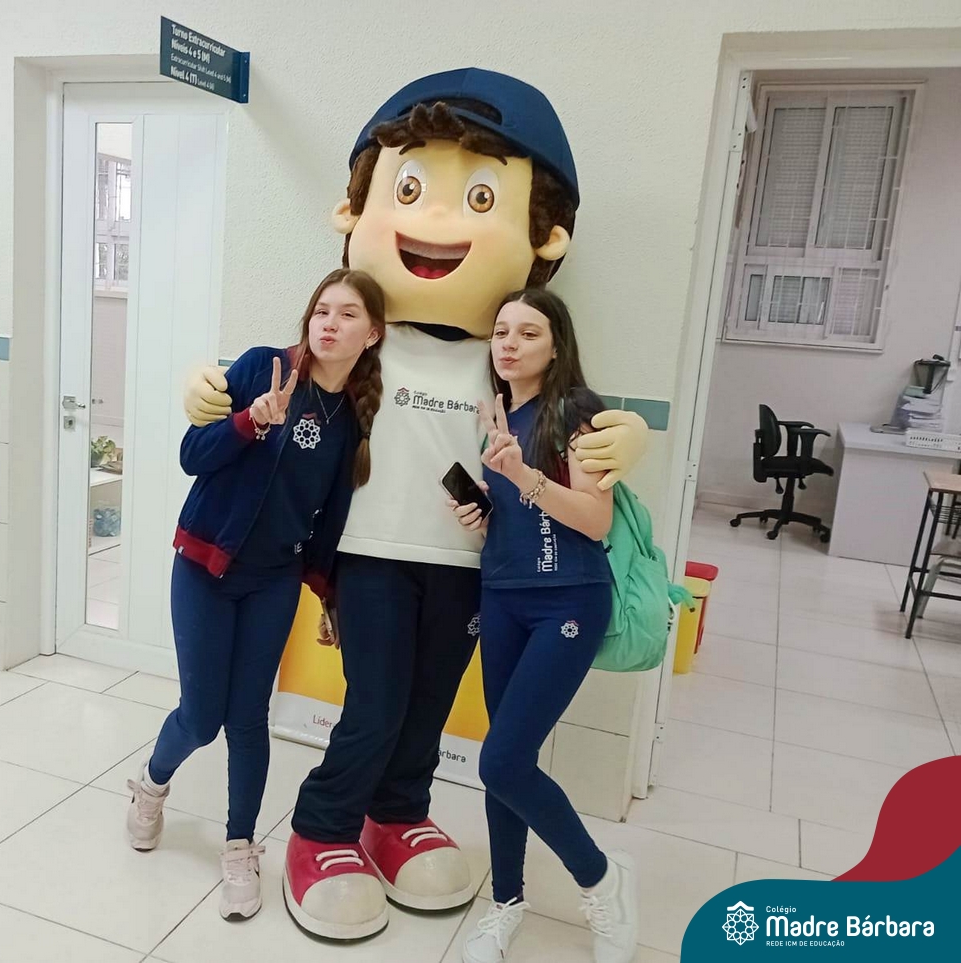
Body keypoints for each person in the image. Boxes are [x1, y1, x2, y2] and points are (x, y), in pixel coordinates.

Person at [181, 70, 649, 939]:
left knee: (429, 707)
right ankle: (323, 826)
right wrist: (214, 394)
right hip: (370, 555)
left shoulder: (503, 355)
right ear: (353, 211)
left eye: (480, 198)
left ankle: (396, 813)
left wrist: (632, 438)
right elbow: (288, 369)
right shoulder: (363, 337)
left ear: (544, 238)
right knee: (375, 704)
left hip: (470, 565)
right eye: (407, 190)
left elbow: (564, 416)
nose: (435, 221)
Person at [126, 268, 386, 923]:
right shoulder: (260, 367)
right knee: (201, 717)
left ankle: (240, 847)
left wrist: (326, 594)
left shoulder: (353, 418)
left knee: (248, 719)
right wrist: (249, 420)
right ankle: (151, 785)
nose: (329, 324)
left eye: (347, 314)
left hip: (273, 580)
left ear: (372, 333)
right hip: (205, 567)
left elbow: (329, 517)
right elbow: (193, 455)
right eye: (322, 310)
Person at [449, 287, 638, 963]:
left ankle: (602, 878)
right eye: (501, 331)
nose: (509, 343)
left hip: (568, 601)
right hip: (502, 597)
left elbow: (594, 519)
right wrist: (481, 515)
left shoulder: (578, 411)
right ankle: (506, 902)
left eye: (528, 333)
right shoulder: (496, 414)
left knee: (500, 760)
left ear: (557, 346)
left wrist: (524, 474)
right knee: (508, 763)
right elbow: (520, 518)